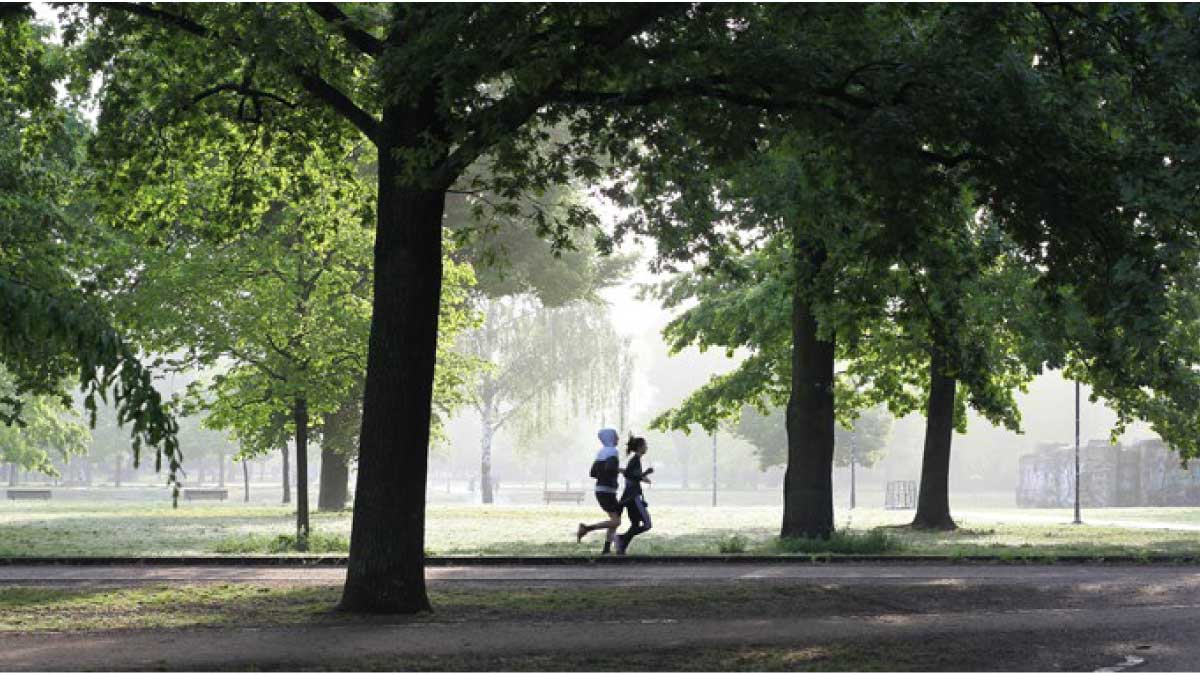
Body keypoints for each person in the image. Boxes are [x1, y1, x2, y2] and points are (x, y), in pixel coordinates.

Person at [576, 428, 623, 554]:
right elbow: (610, 468)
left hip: (602, 489)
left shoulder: (601, 452)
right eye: (616, 436)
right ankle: (586, 528)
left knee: (614, 521)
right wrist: (617, 471)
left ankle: (606, 550)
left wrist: (610, 473)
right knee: (616, 521)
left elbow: (592, 473)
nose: (618, 438)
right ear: (611, 438)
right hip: (607, 491)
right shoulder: (613, 451)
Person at [615, 435, 653, 555]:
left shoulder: (635, 460)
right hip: (633, 497)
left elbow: (629, 474)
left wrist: (643, 476)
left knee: (636, 524)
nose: (647, 447)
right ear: (640, 447)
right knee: (647, 524)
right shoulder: (635, 460)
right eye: (645, 445)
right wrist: (647, 472)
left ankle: (621, 547)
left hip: (630, 497)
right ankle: (620, 538)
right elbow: (632, 475)